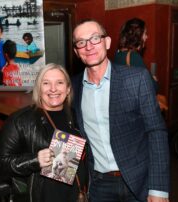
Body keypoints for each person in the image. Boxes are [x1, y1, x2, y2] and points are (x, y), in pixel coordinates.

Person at [71, 19, 170, 202]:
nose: (89, 46)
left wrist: (159, 189)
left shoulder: (137, 79)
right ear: (77, 51)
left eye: (95, 38)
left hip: (139, 181)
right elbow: (69, 129)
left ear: (107, 42)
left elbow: (156, 131)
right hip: (99, 184)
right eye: (81, 42)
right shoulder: (73, 87)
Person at [0, 63, 88, 202]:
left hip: (76, 194)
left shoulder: (76, 116)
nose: (53, 89)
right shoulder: (20, 120)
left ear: (68, 89)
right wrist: (35, 160)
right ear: (39, 88)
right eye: (46, 83)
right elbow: (1, 164)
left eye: (60, 83)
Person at [114, 18, 158, 93]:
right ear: (138, 35)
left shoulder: (118, 53)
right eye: (145, 33)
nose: (146, 37)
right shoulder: (133, 57)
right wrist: (153, 79)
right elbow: (152, 88)